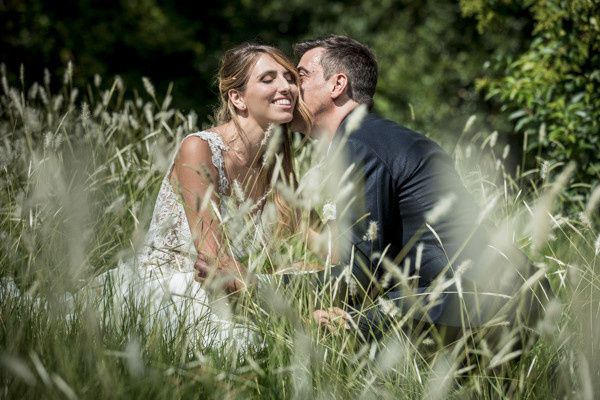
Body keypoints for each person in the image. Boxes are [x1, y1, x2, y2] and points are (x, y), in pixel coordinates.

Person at [294, 35, 547, 344]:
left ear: (337, 84)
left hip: (472, 301)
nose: (292, 87)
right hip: (509, 292)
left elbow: (359, 274)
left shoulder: (358, 143)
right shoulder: (378, 137)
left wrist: (268, 288)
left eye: (301, 76)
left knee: (333, 332)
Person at [89, 43, 312, 346]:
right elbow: (214, 260)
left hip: (237, 291)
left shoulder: (277, 165)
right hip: (171, 288)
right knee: (247, 342)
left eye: (289, 77)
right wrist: (288, 291)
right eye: (268, 78)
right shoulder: (200, 149)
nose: (286, 86)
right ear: (237, 97)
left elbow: (315, 244)